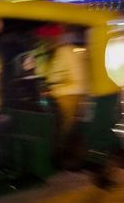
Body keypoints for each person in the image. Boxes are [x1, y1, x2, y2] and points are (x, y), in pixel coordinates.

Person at [33, 24, 87, 163]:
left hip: (68, 96)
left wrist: (54, 90)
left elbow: (78, 83)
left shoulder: (66, 52)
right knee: (58, 128)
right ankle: (59, 157)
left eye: (47, 38)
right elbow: (47, 73)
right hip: (58, 96)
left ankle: (63, 159)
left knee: (63, 130)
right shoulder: (54, 52)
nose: (45, 41)